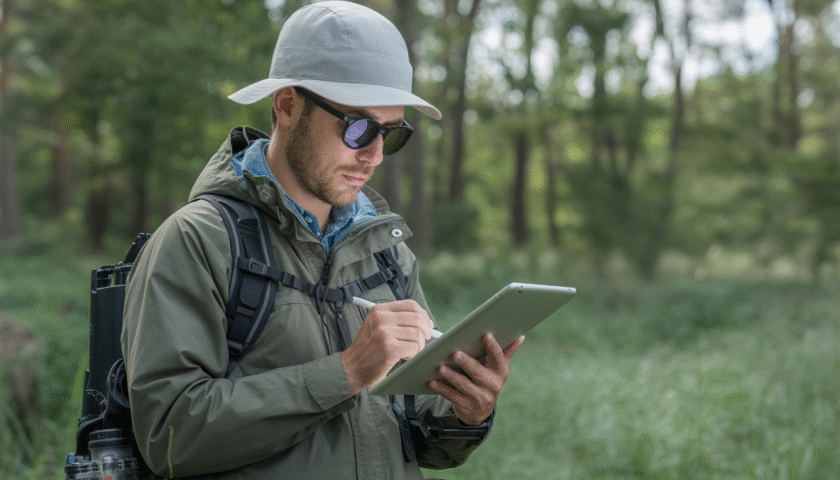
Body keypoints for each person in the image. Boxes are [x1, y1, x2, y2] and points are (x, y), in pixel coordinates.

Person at [121, 2, 524, 478]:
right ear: (288, 105)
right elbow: (169, 436)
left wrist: (465, 413)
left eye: (392, 135)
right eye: (358, 128)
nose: (374, 156)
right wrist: (348, 372)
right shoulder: (197, 241)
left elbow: (420, 438)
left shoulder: (388, 252)